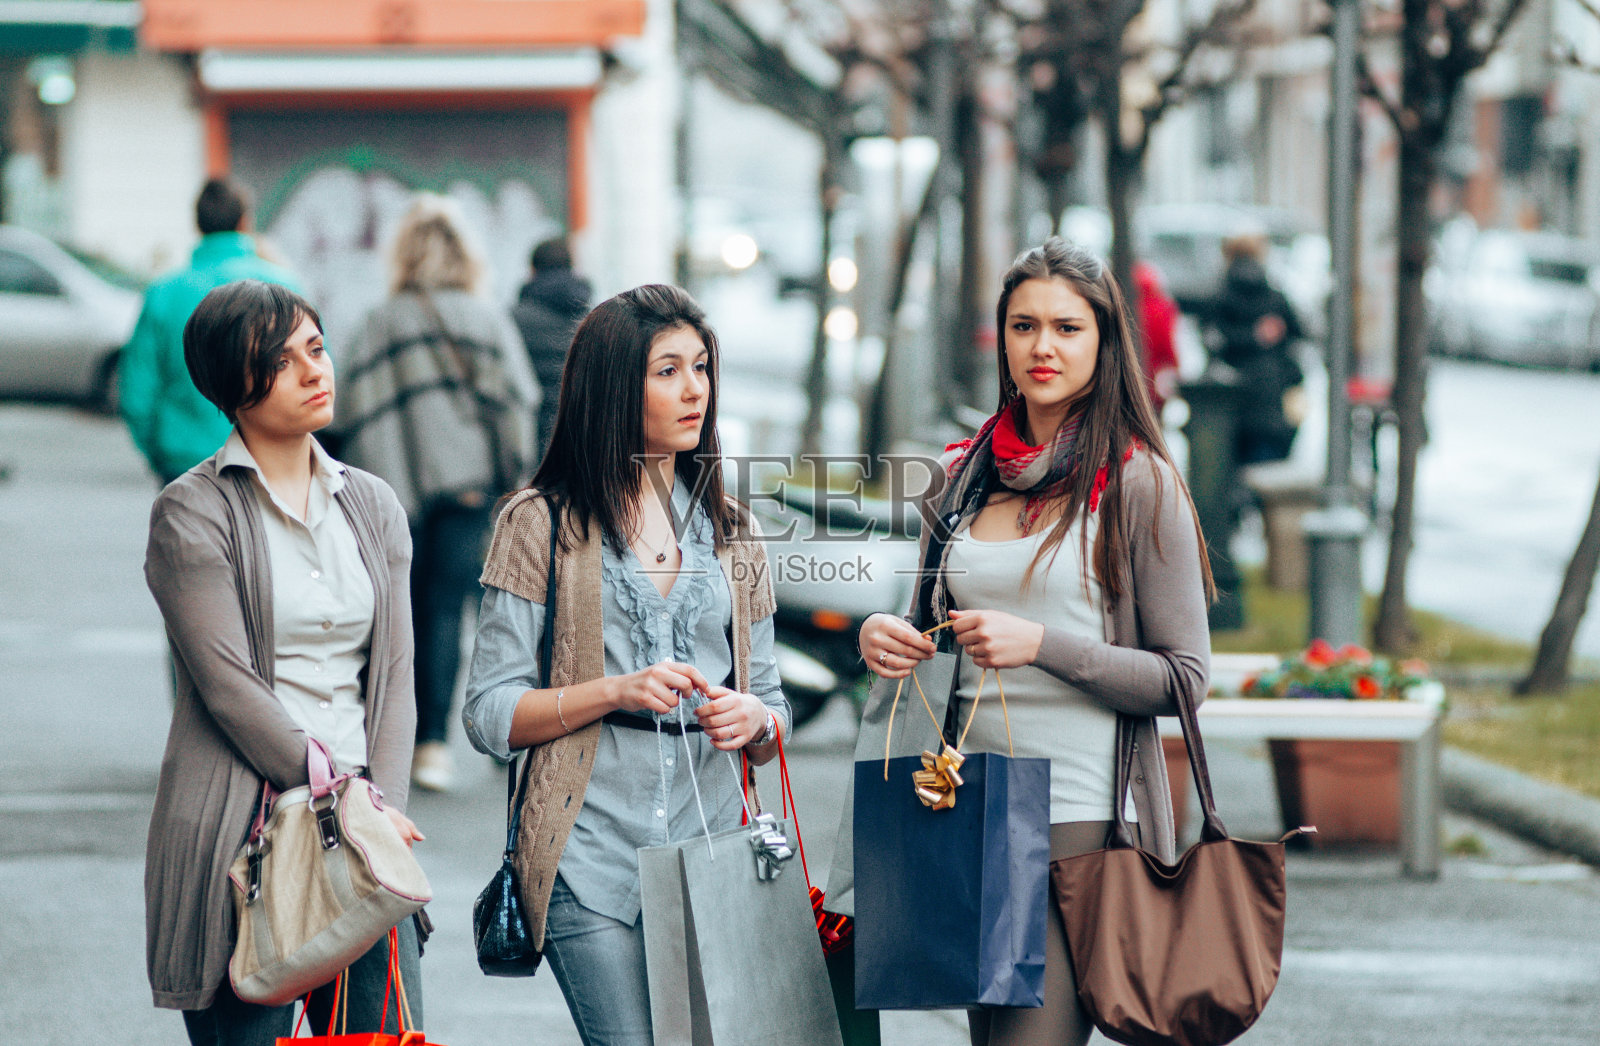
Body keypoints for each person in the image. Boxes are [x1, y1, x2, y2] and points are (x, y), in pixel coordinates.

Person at [857, 238, 1214, 1046]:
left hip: (1076, 817)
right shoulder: (963, 473)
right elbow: (930, 629)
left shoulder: (1138, 481)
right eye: (1024, 326)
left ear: (1104, 342)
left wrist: (1042, 644)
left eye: (1066, 328)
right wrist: (890, 639)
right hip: (961, 805)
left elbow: (1185, 678)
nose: (1042, 347)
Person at [462, 283, 789, 1046]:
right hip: (586, 850)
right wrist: (611, 690)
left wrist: (756, 719)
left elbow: (770, 704)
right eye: (667, 370)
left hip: (709, 853)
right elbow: (487, 714)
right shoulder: (538, 522)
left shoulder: (734, 532)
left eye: (701, 367)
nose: (694, 389)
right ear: (614, 386)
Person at [142, 279, 424, 1042]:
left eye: (317, 348)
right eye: (283, 359)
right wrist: (339, 794)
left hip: (365, 844)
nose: (314, 370)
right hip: (245, 836)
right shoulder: (191, 512)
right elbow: (229, 688)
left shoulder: (372, 503)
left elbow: (395, 677)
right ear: (232, 383)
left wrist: (382, 811)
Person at [334, 193, 539, 793]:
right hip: (468, 488)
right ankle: (434, 750)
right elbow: (516, 407)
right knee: (448, 612)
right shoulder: (485, 319)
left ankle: (388, 742)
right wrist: (513, 477)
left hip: (389, 490)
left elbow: (347, 410)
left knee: (397, 616)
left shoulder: (378, 321)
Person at [121, 178, 301, 484]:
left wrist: (160, 452)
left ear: (198, 224)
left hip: (183, 461)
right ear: (246, 221)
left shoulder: (163, 292)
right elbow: (315, 374)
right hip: (267, 458)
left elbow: (137, 392)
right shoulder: (284, 287)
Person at [1206, 231, 1306, 464]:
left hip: (1230, 404)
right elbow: (1300, 335)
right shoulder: (1275, 297)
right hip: (1272, 399)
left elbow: (1213, 340)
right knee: (1269, 472)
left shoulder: (1221, 296)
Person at [512, 235, 592, 455]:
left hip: (530, 439)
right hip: (579, 439)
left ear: (533, 271)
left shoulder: (514, 319)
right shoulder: (593, 320)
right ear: (572, 268)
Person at [1132, 260, 1180, 417]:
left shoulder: (1127, 306)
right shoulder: (1163, 307)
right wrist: (1174, 365)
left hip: (1131, 375)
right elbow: (1168, 344)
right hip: (1155, 376)